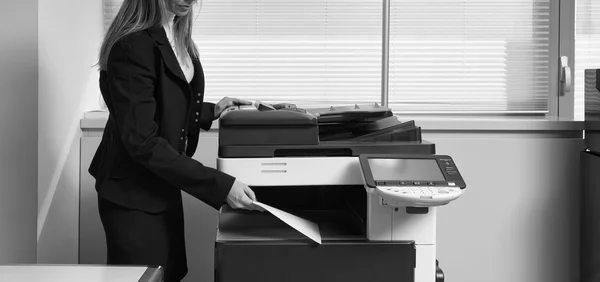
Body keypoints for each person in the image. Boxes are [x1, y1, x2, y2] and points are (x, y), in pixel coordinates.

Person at [89, 0, 262, 281]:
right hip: (132, 194)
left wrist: (211, 110)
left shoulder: (173, 31)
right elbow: (142, 139)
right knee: (147, 278)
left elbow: (162, 101)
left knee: (169, 273)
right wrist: (221, 186)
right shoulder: (131, 45)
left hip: (162, 182)